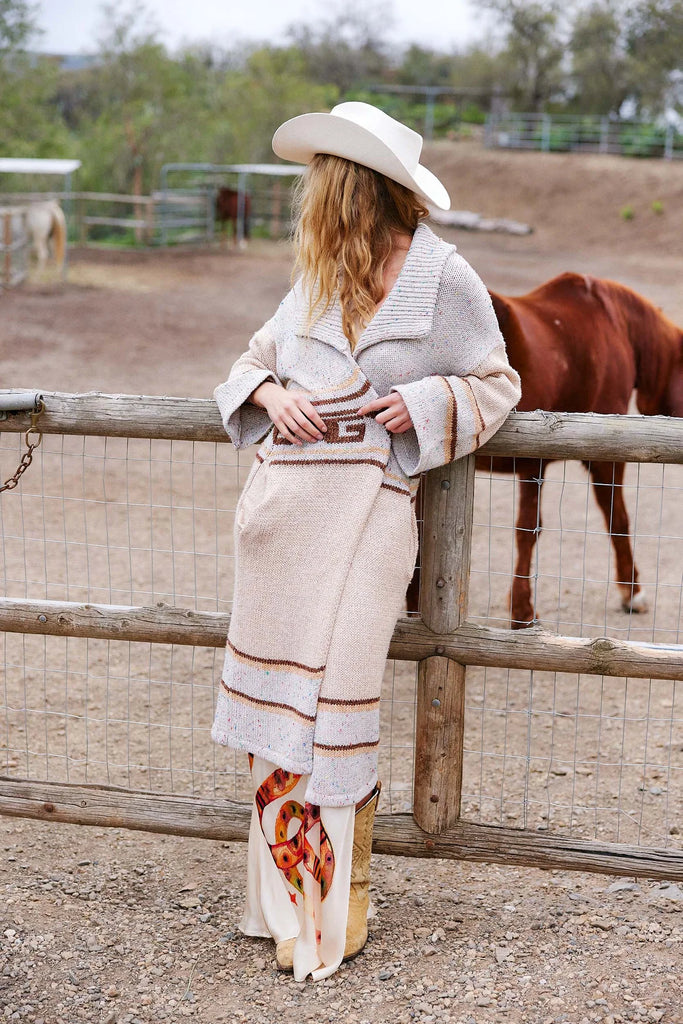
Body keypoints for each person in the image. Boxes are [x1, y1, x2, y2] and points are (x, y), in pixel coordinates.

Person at [211, 101, 521, 982]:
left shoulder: (442, 278)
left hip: (372, 514)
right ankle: (282, 897)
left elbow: (497, 381)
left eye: (323, 180)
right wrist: (270, 397)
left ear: (353, 188)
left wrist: (421, 406)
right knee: (278, 720)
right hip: (282, 518)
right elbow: (243, 366)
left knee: (339, 700)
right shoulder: (312, 276)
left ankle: (337, 896)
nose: (313, 194)